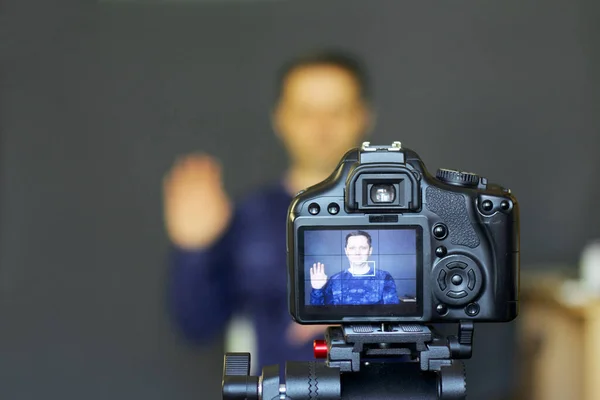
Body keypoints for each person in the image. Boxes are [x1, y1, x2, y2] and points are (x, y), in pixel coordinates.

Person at [162, 49, 373, 371]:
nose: (322, 127)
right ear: (281, 118)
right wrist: (194, 253)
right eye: (306, 112)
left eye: (338, 111)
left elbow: (445, 326)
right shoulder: (250, 217)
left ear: (363, 116)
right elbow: (196, 325)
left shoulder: (407, 216)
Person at [309, 231, 399, 305]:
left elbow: (391, 313)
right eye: (352, 248)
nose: (357, 252)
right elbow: (321, 315)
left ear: (370, 251)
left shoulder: (384, 278)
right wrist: (317, 290)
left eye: (362, 248)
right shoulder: (334, 280)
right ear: (346, 251)